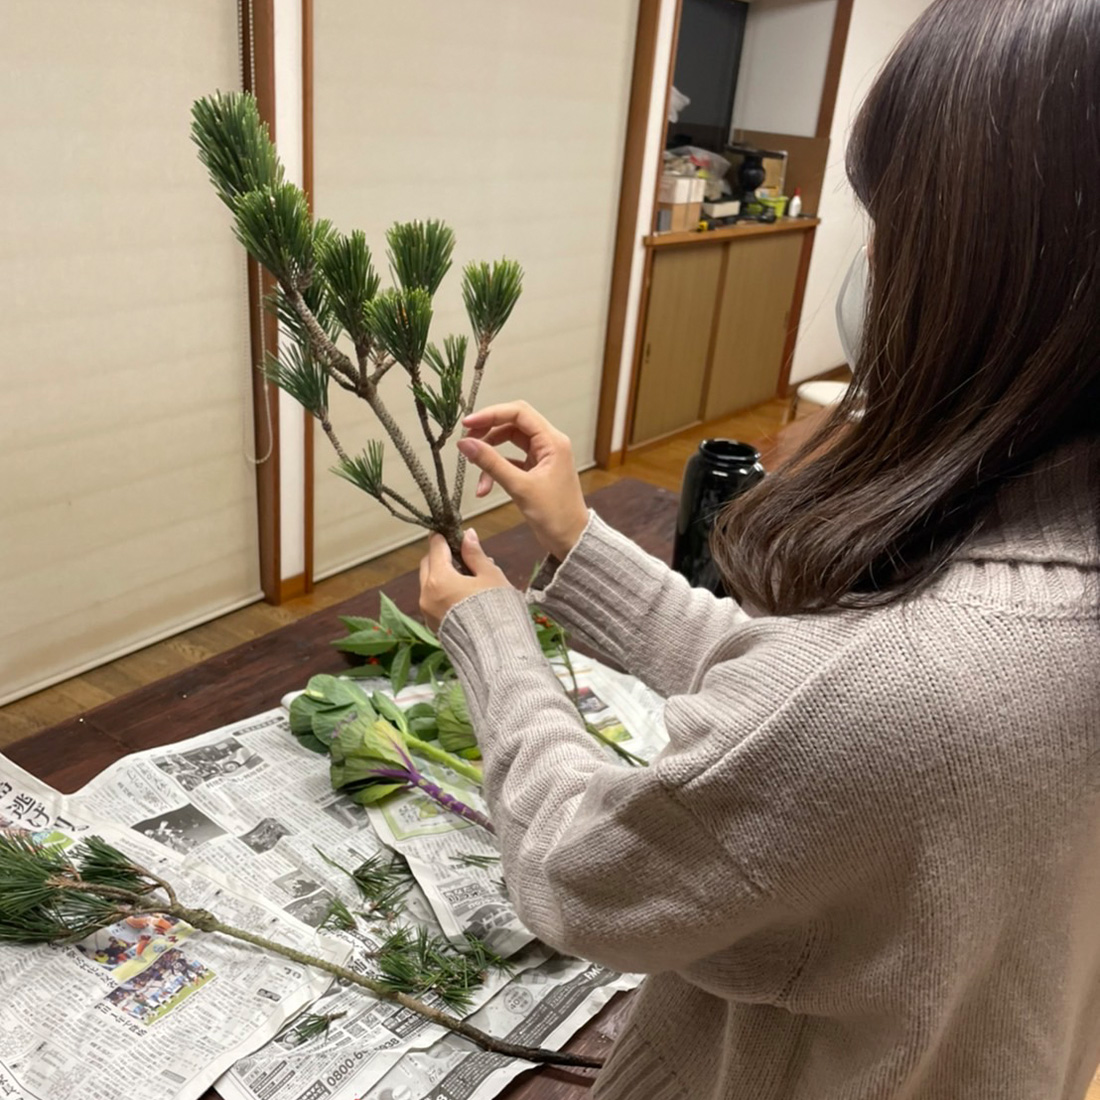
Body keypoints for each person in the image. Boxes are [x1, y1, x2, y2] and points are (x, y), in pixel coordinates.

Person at [418, 1, 1100, 1098]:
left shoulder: (920, 689)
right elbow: (804, 706)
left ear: (1006, 269)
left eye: (887, 221)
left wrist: (490, 635)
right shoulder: (1019, 609)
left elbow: (578, 874)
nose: (866, 260)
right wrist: (575, 540)